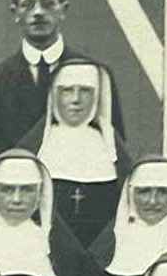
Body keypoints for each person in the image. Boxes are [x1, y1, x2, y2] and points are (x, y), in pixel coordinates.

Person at [0, 0, 128, 156]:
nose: (38, 12)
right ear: (15, 13)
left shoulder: (95, 74)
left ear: (63, 9)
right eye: (28, 5)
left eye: (47, 4)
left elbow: (113, 148)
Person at [21, 57, 133, 249]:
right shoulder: (36, 146)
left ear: (97, 95)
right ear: (55, 95)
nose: (76, 99)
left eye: (85, 91)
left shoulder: (112, 149)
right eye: (67, 91)